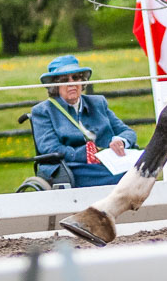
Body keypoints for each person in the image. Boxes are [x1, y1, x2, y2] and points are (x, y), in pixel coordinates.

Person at [30, 55, 138, 187]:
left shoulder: (98, 103)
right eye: (64, 80)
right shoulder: (43, 111)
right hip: (71, 167)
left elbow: (127, 132)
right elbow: (50, 148)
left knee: (141, 170)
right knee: (127, 177)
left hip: (109, 163)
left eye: (76, 77)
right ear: (54, 86)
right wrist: (85, 154)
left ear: (82, 81)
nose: (71, 83)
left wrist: (120, 141)